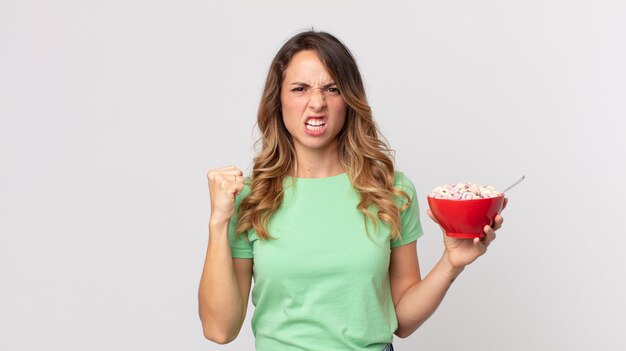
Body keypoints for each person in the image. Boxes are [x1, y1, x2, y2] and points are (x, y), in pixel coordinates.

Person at [198, 30, 505, 351]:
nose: (317, 103)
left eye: (331, 89)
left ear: (349, 99)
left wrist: (451, 263)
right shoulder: (251, 197)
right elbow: (220, 329)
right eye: (300, 89)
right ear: (279, 100)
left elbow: (401, 320)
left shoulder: (390, 191)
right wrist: (218, 221)